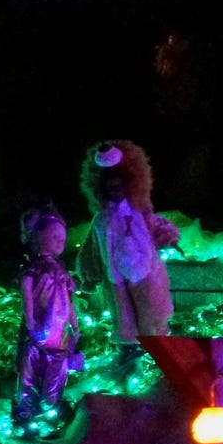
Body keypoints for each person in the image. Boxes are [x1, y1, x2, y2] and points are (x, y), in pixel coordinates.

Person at [79, 140, 180, 347]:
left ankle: (155, 345)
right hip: (116, 277)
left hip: (144, 270)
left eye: (119, 186)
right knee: (125, 318)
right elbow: (91, 248)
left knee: (149, 312)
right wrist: (89, 273)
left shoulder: (140, 212)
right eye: (110, 188)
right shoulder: (101, 220)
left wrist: (168, 237)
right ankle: (130, 350)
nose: (115, 191)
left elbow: (156, 225)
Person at [12, 204, 87, 438]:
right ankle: (25, 415)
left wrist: (75, 324)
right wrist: (31, 318)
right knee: (29, 371)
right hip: (39, 331)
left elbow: (68, 298)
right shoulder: (35, 266)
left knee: (56, 371)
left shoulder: (61, 269)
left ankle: (49, 409)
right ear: (37, 236)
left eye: (62, 238)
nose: (59, 241)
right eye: (54, 236)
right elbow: (26, 290)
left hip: (59, 335)